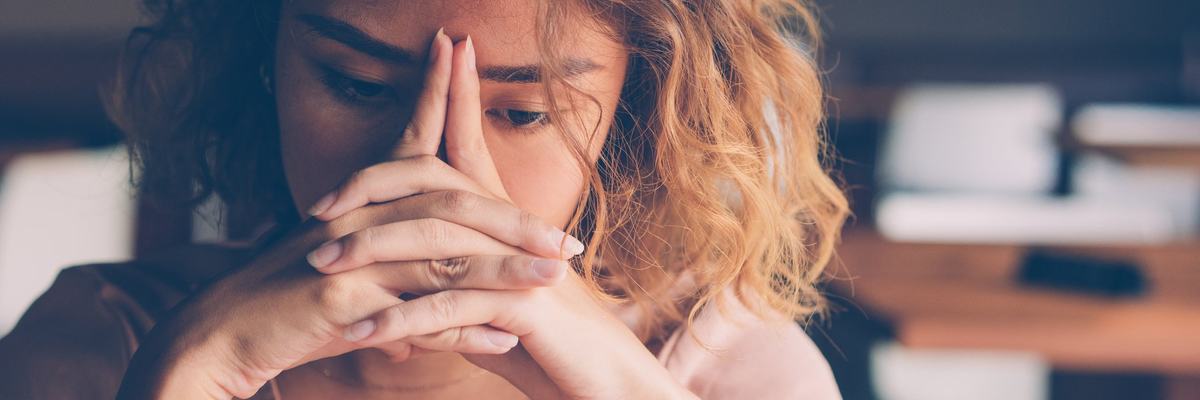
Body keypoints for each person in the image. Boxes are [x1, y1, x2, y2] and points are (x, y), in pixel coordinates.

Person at [0, 0, 848, 398]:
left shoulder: (721, 369)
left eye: (524, 111)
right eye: (357, 85)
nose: (435, 166)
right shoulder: (100, 343)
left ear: (633, 114)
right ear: (266, 68)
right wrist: (188, 379)